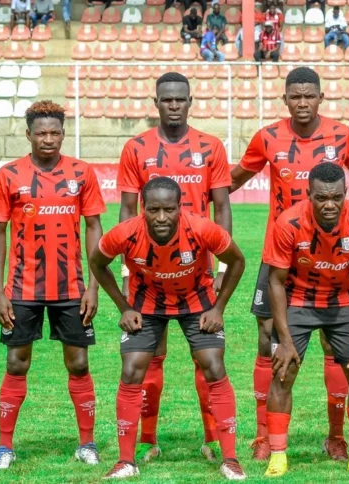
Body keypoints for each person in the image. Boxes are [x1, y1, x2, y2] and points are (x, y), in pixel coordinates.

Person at [229, 66, 349, 462]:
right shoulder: (267, 137)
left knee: (335, 345)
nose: (302, 103)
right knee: (270, 342)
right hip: (281, 257)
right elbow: (234, 178)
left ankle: (337, 437)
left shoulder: (342, 136)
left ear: (320, 98)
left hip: (332, 257)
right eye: (295, 96)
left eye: (310, 96)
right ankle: (263, 437)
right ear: (285, 99)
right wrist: (194, 198)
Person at [92, 177, 246, 481]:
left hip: (197, 302)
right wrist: (124, 307)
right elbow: (97, 263)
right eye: (153, 210)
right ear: (142, 209)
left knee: (213, 366)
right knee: (132, 370)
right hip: (146, 305)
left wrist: (218, 308)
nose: (161, 217)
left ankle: (230, 458)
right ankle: (126, 460)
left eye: (168, 209)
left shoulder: (201, 228)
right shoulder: (125, 233)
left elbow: (238, 261)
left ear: (180, 208)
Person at [116, 72, 233, 464]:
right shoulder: (136, 148)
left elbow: (223, 208)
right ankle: (147, 440)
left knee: (207, 356)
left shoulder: (210, 146)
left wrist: (220, 265)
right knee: (149, 356)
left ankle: (214, 438)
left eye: (180, 99)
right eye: (166, 100)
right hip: (147, 272)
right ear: (156, 102)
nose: (173, 105)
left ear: (190, 101)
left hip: (197, 271)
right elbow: (127, 211)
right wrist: (125, 271)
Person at [0, 100, 106, 470]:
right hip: (22, 290)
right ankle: (5, 447)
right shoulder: (9, 175)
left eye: (55, 132)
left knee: (79, 364)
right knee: (16, 363)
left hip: (72, 289)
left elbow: (94, 228)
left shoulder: (82, 173)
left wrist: (94, 286)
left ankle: (87, 443)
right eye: (41, 133)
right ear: (29, 135)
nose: (48, 139)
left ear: (63, 134)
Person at [264, 163, 349, 478]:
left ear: (346, 193)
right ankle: (278, 456)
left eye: (336, 197)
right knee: (283, 371)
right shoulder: (288, 222)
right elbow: (275, 281)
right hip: (298, 301)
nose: (329, 205)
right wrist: (286, 341)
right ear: (308, 195)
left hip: (342, 302)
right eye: (321, 198)